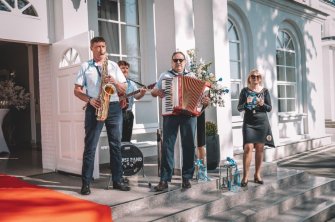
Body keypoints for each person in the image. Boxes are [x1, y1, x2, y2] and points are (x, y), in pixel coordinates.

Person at [74, 36, 130, 195]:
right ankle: (85, 183)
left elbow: (124, 88)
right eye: (97, 46)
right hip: (95, 106)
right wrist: (90, 100)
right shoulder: (85, 66)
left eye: (103, 46)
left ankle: (118, 180)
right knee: (90, 146)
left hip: (113, 107)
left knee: (115, 145)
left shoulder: (112, 65)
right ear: (92, 48)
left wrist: (114, 81)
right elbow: (77, 90)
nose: (101, 49)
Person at [151, 51, 208, 191]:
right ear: (172, 62)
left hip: (189, 115)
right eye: (175, 60)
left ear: (185, 62)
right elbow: (154, 91)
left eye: (180, 60)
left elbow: (202, 99)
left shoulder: (192, 76)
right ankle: (164, 180)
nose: (178, 63)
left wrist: (206, 101)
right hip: (171, 114)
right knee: (167, 146)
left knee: (188, 146)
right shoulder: (165, 76)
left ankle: (186, 178)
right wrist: (156, 92)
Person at [237, 69, 274, 187]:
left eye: (258, 77)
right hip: (249, 122)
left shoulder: (265, 91)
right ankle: (245, 176)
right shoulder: (244, 91)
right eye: (253, 76)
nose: (255, 78)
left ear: (260, 79)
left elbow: (269, 108)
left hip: (262, 122)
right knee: (248, 147)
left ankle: (257, 175)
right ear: (249, 78)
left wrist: (263, 104)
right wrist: (246, 104)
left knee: (260, 148)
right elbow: (239, 107)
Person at [117, 60, 146, 142]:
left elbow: (137, 96)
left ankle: (126, 154)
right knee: (117, 138)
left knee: (127, 139)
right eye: (122, 68)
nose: (125, 70)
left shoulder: (132, 84)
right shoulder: (114, 83)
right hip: (117, 114)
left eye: (127, 68)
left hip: (128, 114)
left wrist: (142, 93)